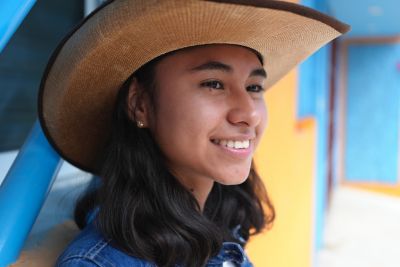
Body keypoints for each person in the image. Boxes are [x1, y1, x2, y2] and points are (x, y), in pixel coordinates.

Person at [37, 0, 349, 266]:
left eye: (254, 87)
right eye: (213, 83)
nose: (249, 113)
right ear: (140, 104)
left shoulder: (221, 213)